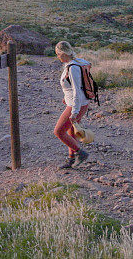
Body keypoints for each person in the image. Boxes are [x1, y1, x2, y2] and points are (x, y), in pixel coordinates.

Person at [53, 40, 90, 169]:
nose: (57, 57)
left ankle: (80, 152)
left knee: (58, 131)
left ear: (63, 53)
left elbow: (76, 90)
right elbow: (71, 88)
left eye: (58, 54)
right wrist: (66, 97)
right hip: (79, 103)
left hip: (77, 104)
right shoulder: (75, 63)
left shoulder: (73, 67)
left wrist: (74, 112)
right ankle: (71, 158)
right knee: (71, 130)